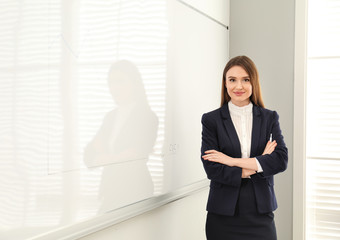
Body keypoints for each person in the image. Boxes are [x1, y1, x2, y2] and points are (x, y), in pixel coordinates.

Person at [201, 55, 288, 240]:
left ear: (253, 82)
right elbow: (212, 168)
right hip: (223, 215)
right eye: (232, 80)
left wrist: (230, 161)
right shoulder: (211, 120)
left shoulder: (269, 118)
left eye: (245, 80)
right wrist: (259, 163)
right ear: (225, 83)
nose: (238, 86)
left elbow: (280, 160)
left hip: (260, 212)